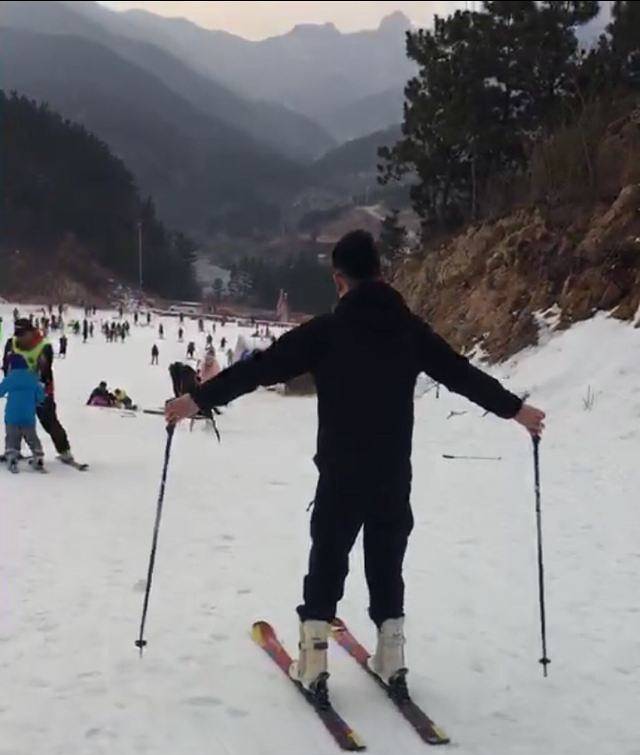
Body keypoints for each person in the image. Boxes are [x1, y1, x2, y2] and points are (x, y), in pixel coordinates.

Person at [167, 230, 545, 702]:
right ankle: (392, 656)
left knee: (328, 558)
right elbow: (461, 374)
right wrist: (518, 412)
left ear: (339, 279)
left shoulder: (327, 331)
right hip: (392, 472)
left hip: (342, 472)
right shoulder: (410, 330)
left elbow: (258, 369)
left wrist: (195, 399)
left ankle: (314, 658)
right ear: (381, 273)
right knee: (386, 562)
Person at [3, 318, 75, 463]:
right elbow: (6, 365)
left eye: (23, 334)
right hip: (20, 391)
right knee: (16, 421)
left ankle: (64, 451)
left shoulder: (44, 346)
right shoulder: (11, 344)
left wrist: (37, 392)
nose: (20, 338)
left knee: (49, 421)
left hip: (41, 390)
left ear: (31, 331)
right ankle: (13, 450)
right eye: (18, 334)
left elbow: (45, 373)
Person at [0, 355, 45, 472]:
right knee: (31, 436)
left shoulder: (10, 378)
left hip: (12, 414)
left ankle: (12, 455)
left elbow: (0, 391)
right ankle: (38, 454)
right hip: (28, 415)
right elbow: (40, 395)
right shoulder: (33, 378)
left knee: (12, 436)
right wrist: (38, 400)